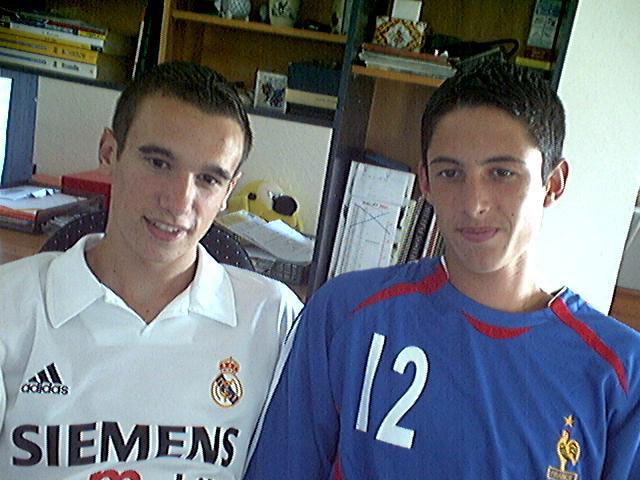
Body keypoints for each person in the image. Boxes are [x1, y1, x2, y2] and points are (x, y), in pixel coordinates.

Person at [245, 57, 640, 478]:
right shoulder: (345, 314)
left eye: (502, 173)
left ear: (553, 184)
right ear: (426, 183)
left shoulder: (619, 371)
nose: (474, 203)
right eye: (451, 173)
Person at [0, 61, 302, 479]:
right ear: (110, 153)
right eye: (159, 163)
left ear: (229, 191)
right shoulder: (10, 307)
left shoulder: (273, 319)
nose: (178, 202)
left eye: (209, 179)